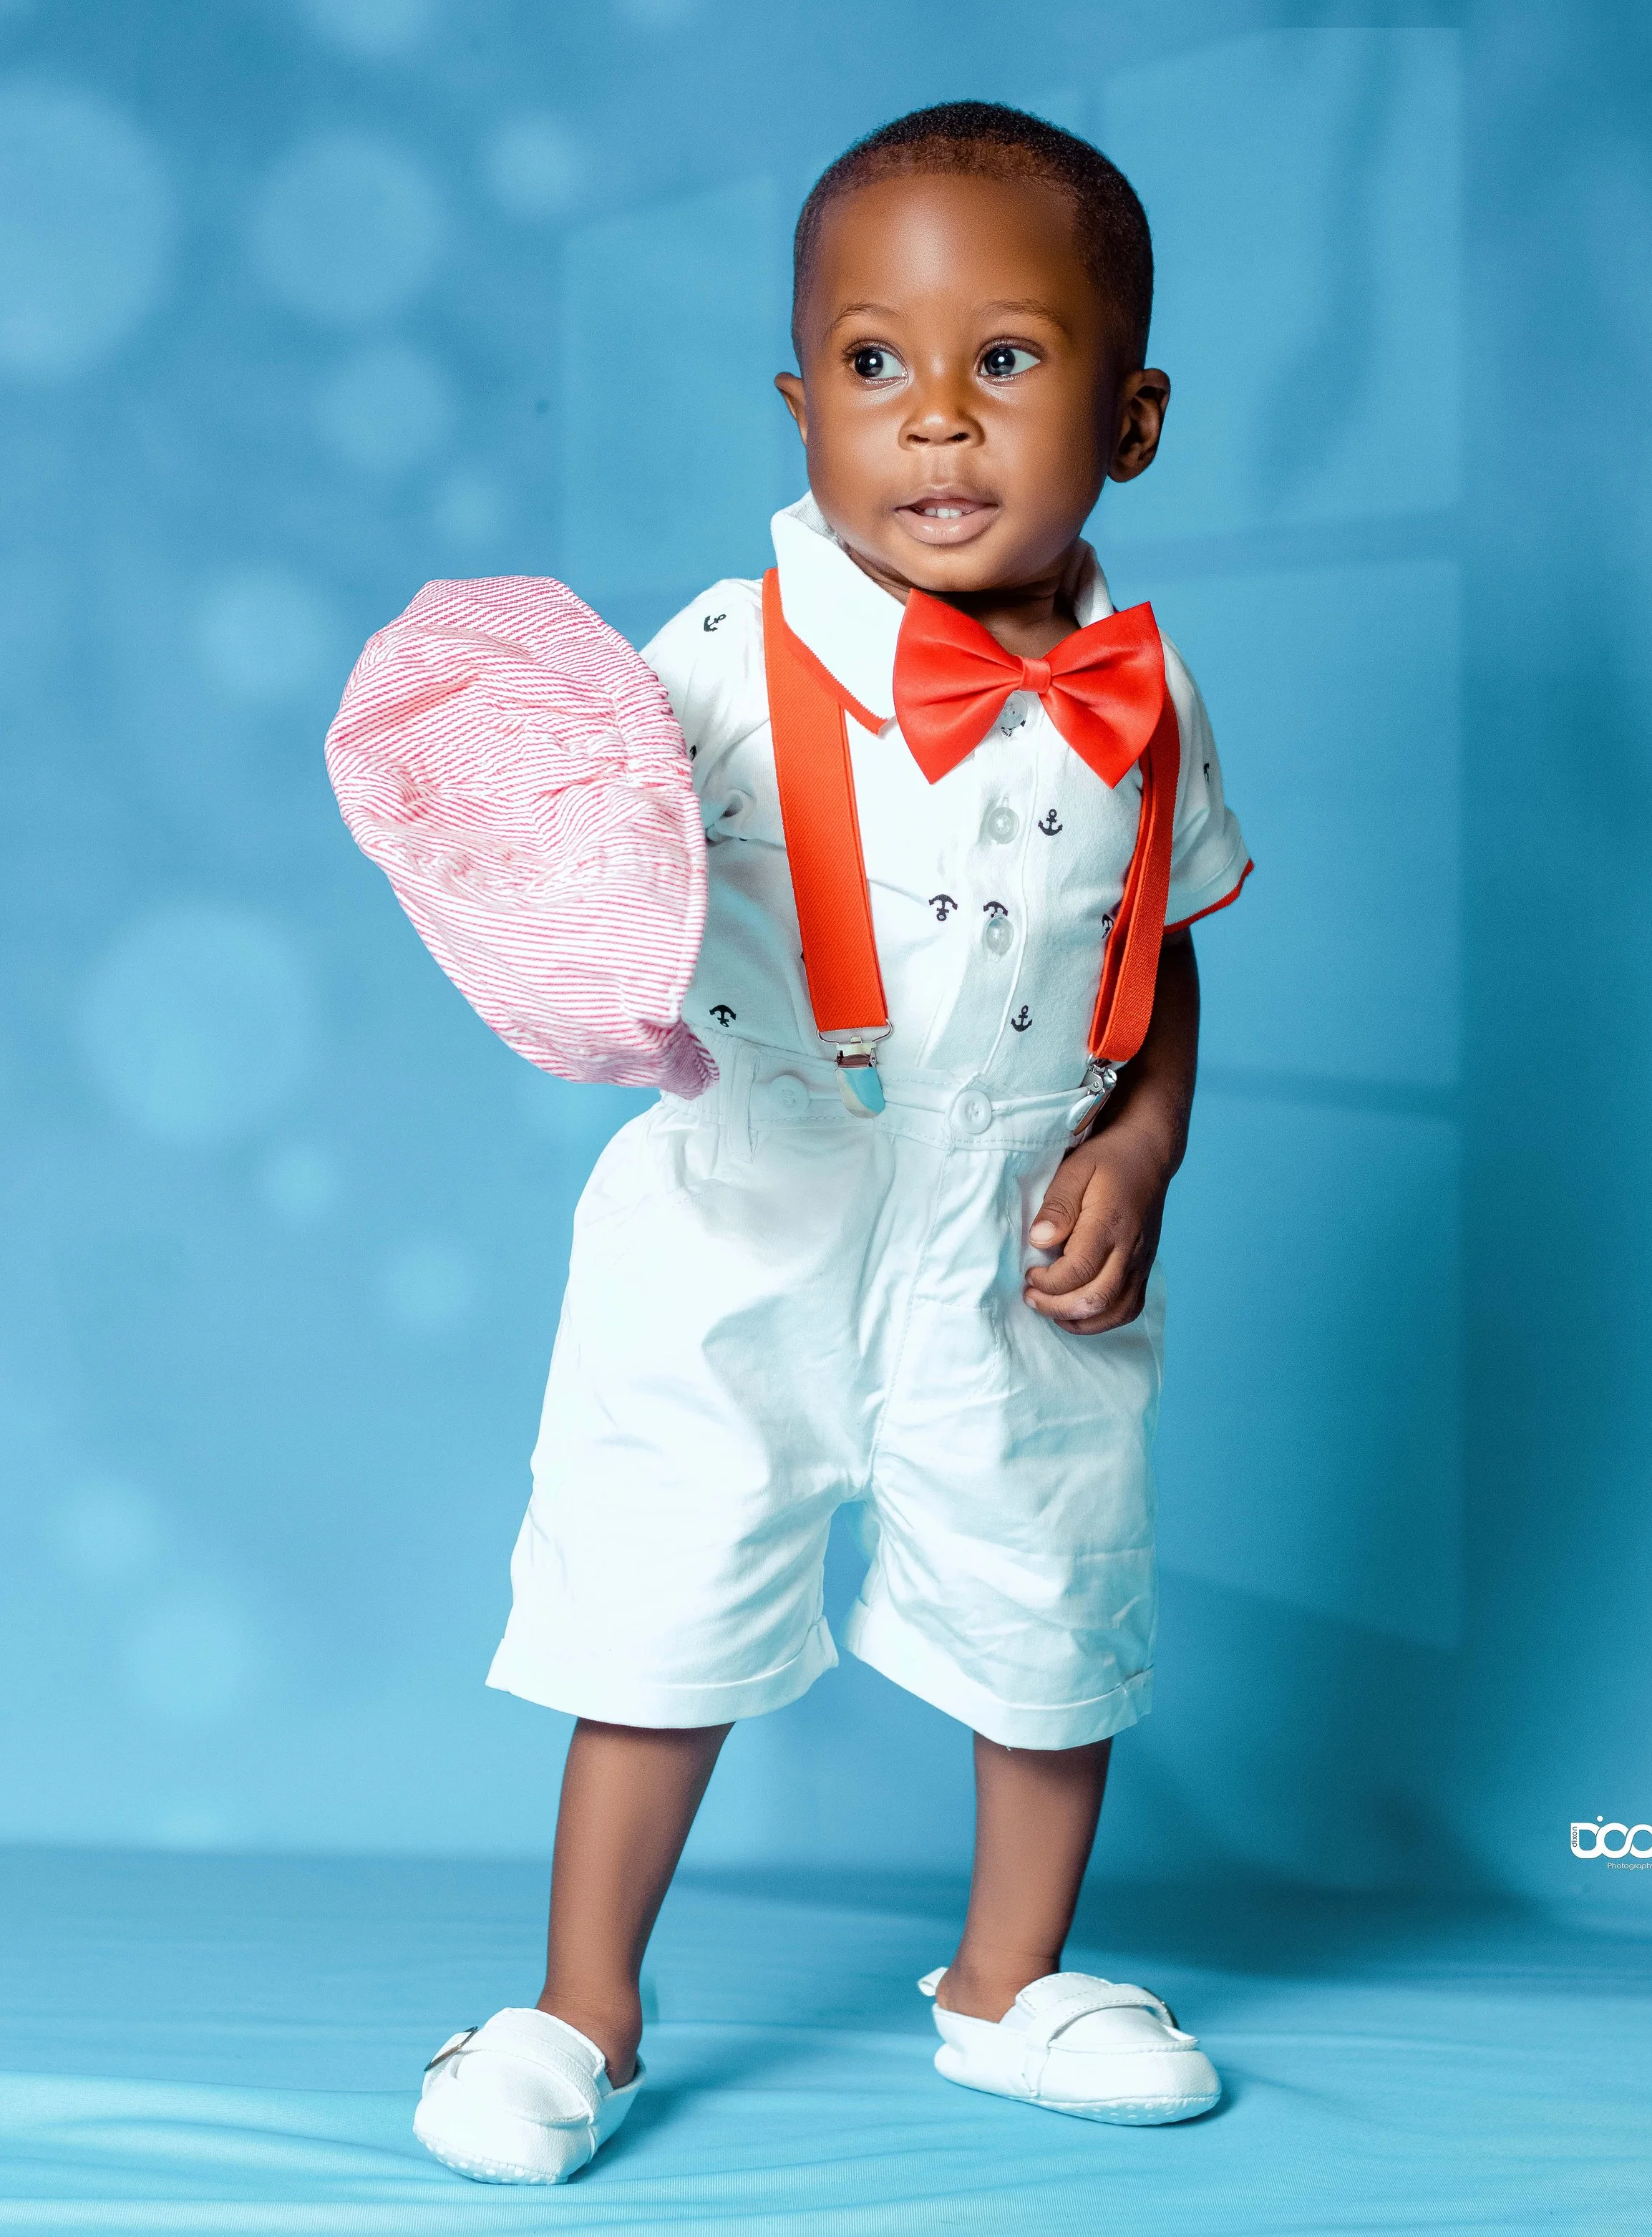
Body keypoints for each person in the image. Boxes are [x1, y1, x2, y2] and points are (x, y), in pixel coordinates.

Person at [410, 100, 1250, 2184]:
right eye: (876, 366)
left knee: (1047, 1605)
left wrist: (1135, 1153)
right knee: (661, 1608)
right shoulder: (715, 659)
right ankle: (575, 2009)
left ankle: (1009, 1981)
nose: (937, 423)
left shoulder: (1144, 696)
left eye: (1008, 362)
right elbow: (558, 879)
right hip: (748, 1214)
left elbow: (1156, 953)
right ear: (800, 404)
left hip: (1009, 1232)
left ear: (1129, 418)